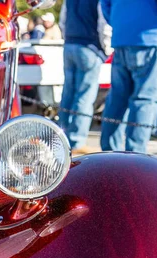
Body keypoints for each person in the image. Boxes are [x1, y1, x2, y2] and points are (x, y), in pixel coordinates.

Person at [100, 0, 157, 153]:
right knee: (145, 100)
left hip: (121, 38)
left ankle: (110, 152)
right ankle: (136, 155)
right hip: (150, 38)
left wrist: (122, 23)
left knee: (117, 99)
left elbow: (105, 5)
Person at [58, 0, 112, 154]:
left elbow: (63, 21)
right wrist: (105, 49)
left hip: (70, 44)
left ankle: (61, 136)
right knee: (84, 97)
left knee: (68, 93)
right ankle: (76, 141)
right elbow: (104, 24)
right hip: (89, 46)